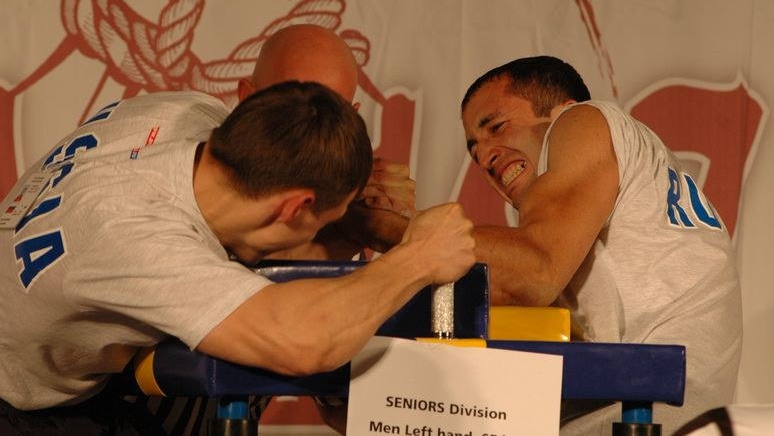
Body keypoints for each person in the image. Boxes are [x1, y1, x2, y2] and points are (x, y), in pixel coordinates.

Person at [0, 81, 475, 434]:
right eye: (325, 222)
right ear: (294, 207)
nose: (326, 235)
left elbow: (256, 246)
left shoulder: (183, 111)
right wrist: (418, 257)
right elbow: (302, 342)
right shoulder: (136, 237)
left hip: (75, 378)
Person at [460, 56, 742, 434]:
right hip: (649, 410)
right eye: (474, 150)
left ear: (562, 110)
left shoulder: (583, 120)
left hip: (645, 414)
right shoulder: (604, 200)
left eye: (497, 126)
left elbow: (532, 271)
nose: (485, 157)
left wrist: (397, 232)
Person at [237, 23, 415, 259]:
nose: (310, 132)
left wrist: (371, 216)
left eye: (331, 115)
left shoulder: (347, 199)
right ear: (247, 98)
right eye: (292, 109)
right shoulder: (196, 171)